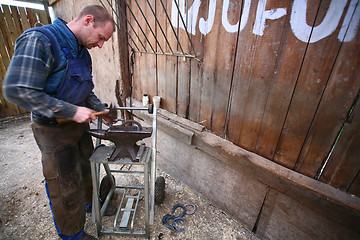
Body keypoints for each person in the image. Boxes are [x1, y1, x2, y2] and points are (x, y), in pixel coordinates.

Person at [3, 5, 116, 240]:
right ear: (88, 20)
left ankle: (88, 205)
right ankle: (73, 235)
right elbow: (17, 89)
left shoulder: (82, 52)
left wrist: (100, 109)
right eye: (101, 37)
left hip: (77, 127)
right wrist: (70, 110)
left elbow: (85, 91)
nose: (101, 45)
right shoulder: (40, 40)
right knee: (65, 183)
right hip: (52, 129)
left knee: (87, 169)